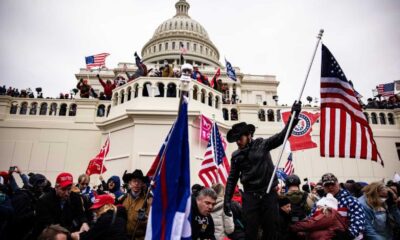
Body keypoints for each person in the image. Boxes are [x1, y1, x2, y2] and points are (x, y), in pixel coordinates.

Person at [223, 101, 301, 240]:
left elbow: (282, 136)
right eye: (236, 140)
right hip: (250, 197)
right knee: (250, 232)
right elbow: (232, 178)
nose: (238, 142)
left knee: (271, 231)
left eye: (239, 138)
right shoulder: (236, 156)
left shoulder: (262, 145)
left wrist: (293, 117)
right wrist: (227, 200)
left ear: (248, 135)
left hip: (268, 194)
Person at [33, 172, 89, 238]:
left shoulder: (75, 197)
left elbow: (81, 214)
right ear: (56, 187)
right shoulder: (44, 201)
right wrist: (69, 235)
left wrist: (84, 223)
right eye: (63, 189)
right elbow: (48, 225)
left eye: (69, 189)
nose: (66, 193)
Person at [321, 173, 365, 239]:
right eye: (327, 185)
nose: (330, 187)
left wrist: (348, 234)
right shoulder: (320, 203)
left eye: (332, 184)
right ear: (323, 187)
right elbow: (312, 219)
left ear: (338, 184)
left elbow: (358, 219)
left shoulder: (351, 200)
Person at [122, 169, 151, 240]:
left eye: (139, 181)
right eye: (134, 181)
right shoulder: (124, 199)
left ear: (142, 184)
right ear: (130, 183)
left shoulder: (148, 201)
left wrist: (145, 219)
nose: (136, 184)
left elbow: (152, 223)